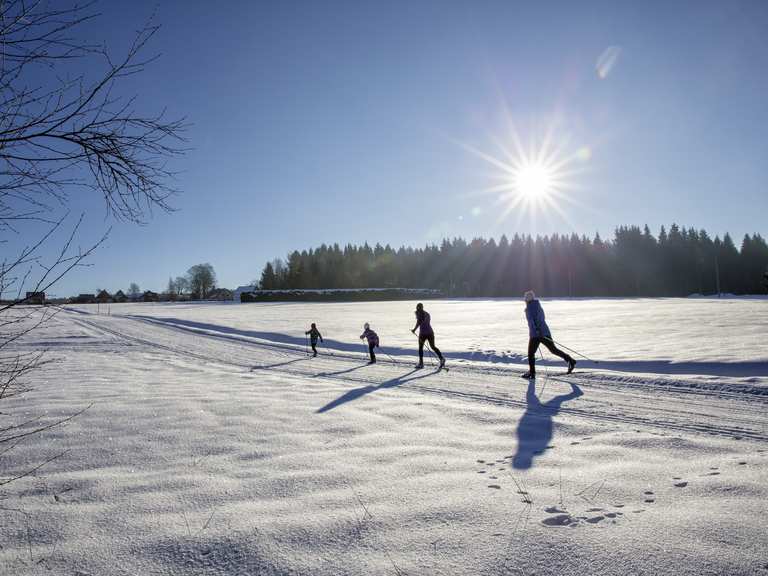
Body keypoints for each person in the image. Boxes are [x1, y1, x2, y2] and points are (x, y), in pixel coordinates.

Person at [522, 290, 575, 379]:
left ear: (527, 300)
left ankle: (532, 372)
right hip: (544, 332)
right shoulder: (538, 306)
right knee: (553, 350)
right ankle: (570, 360)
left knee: (531, 353)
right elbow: (541, 318)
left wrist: (537, 330)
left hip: (536, 334)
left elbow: (532, 321)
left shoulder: (530, 308)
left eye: (525, 299)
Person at [411, 302, 445, 369]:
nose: (418, 309)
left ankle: (421, 364)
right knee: (433, 347)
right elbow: (422, 321)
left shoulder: (421, 314)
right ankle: (442, 359)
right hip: (430, 333)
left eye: (418, 308)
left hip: (423, 334)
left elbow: (419, 322)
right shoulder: (427, 314)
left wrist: (414, 329)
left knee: (421, 348)